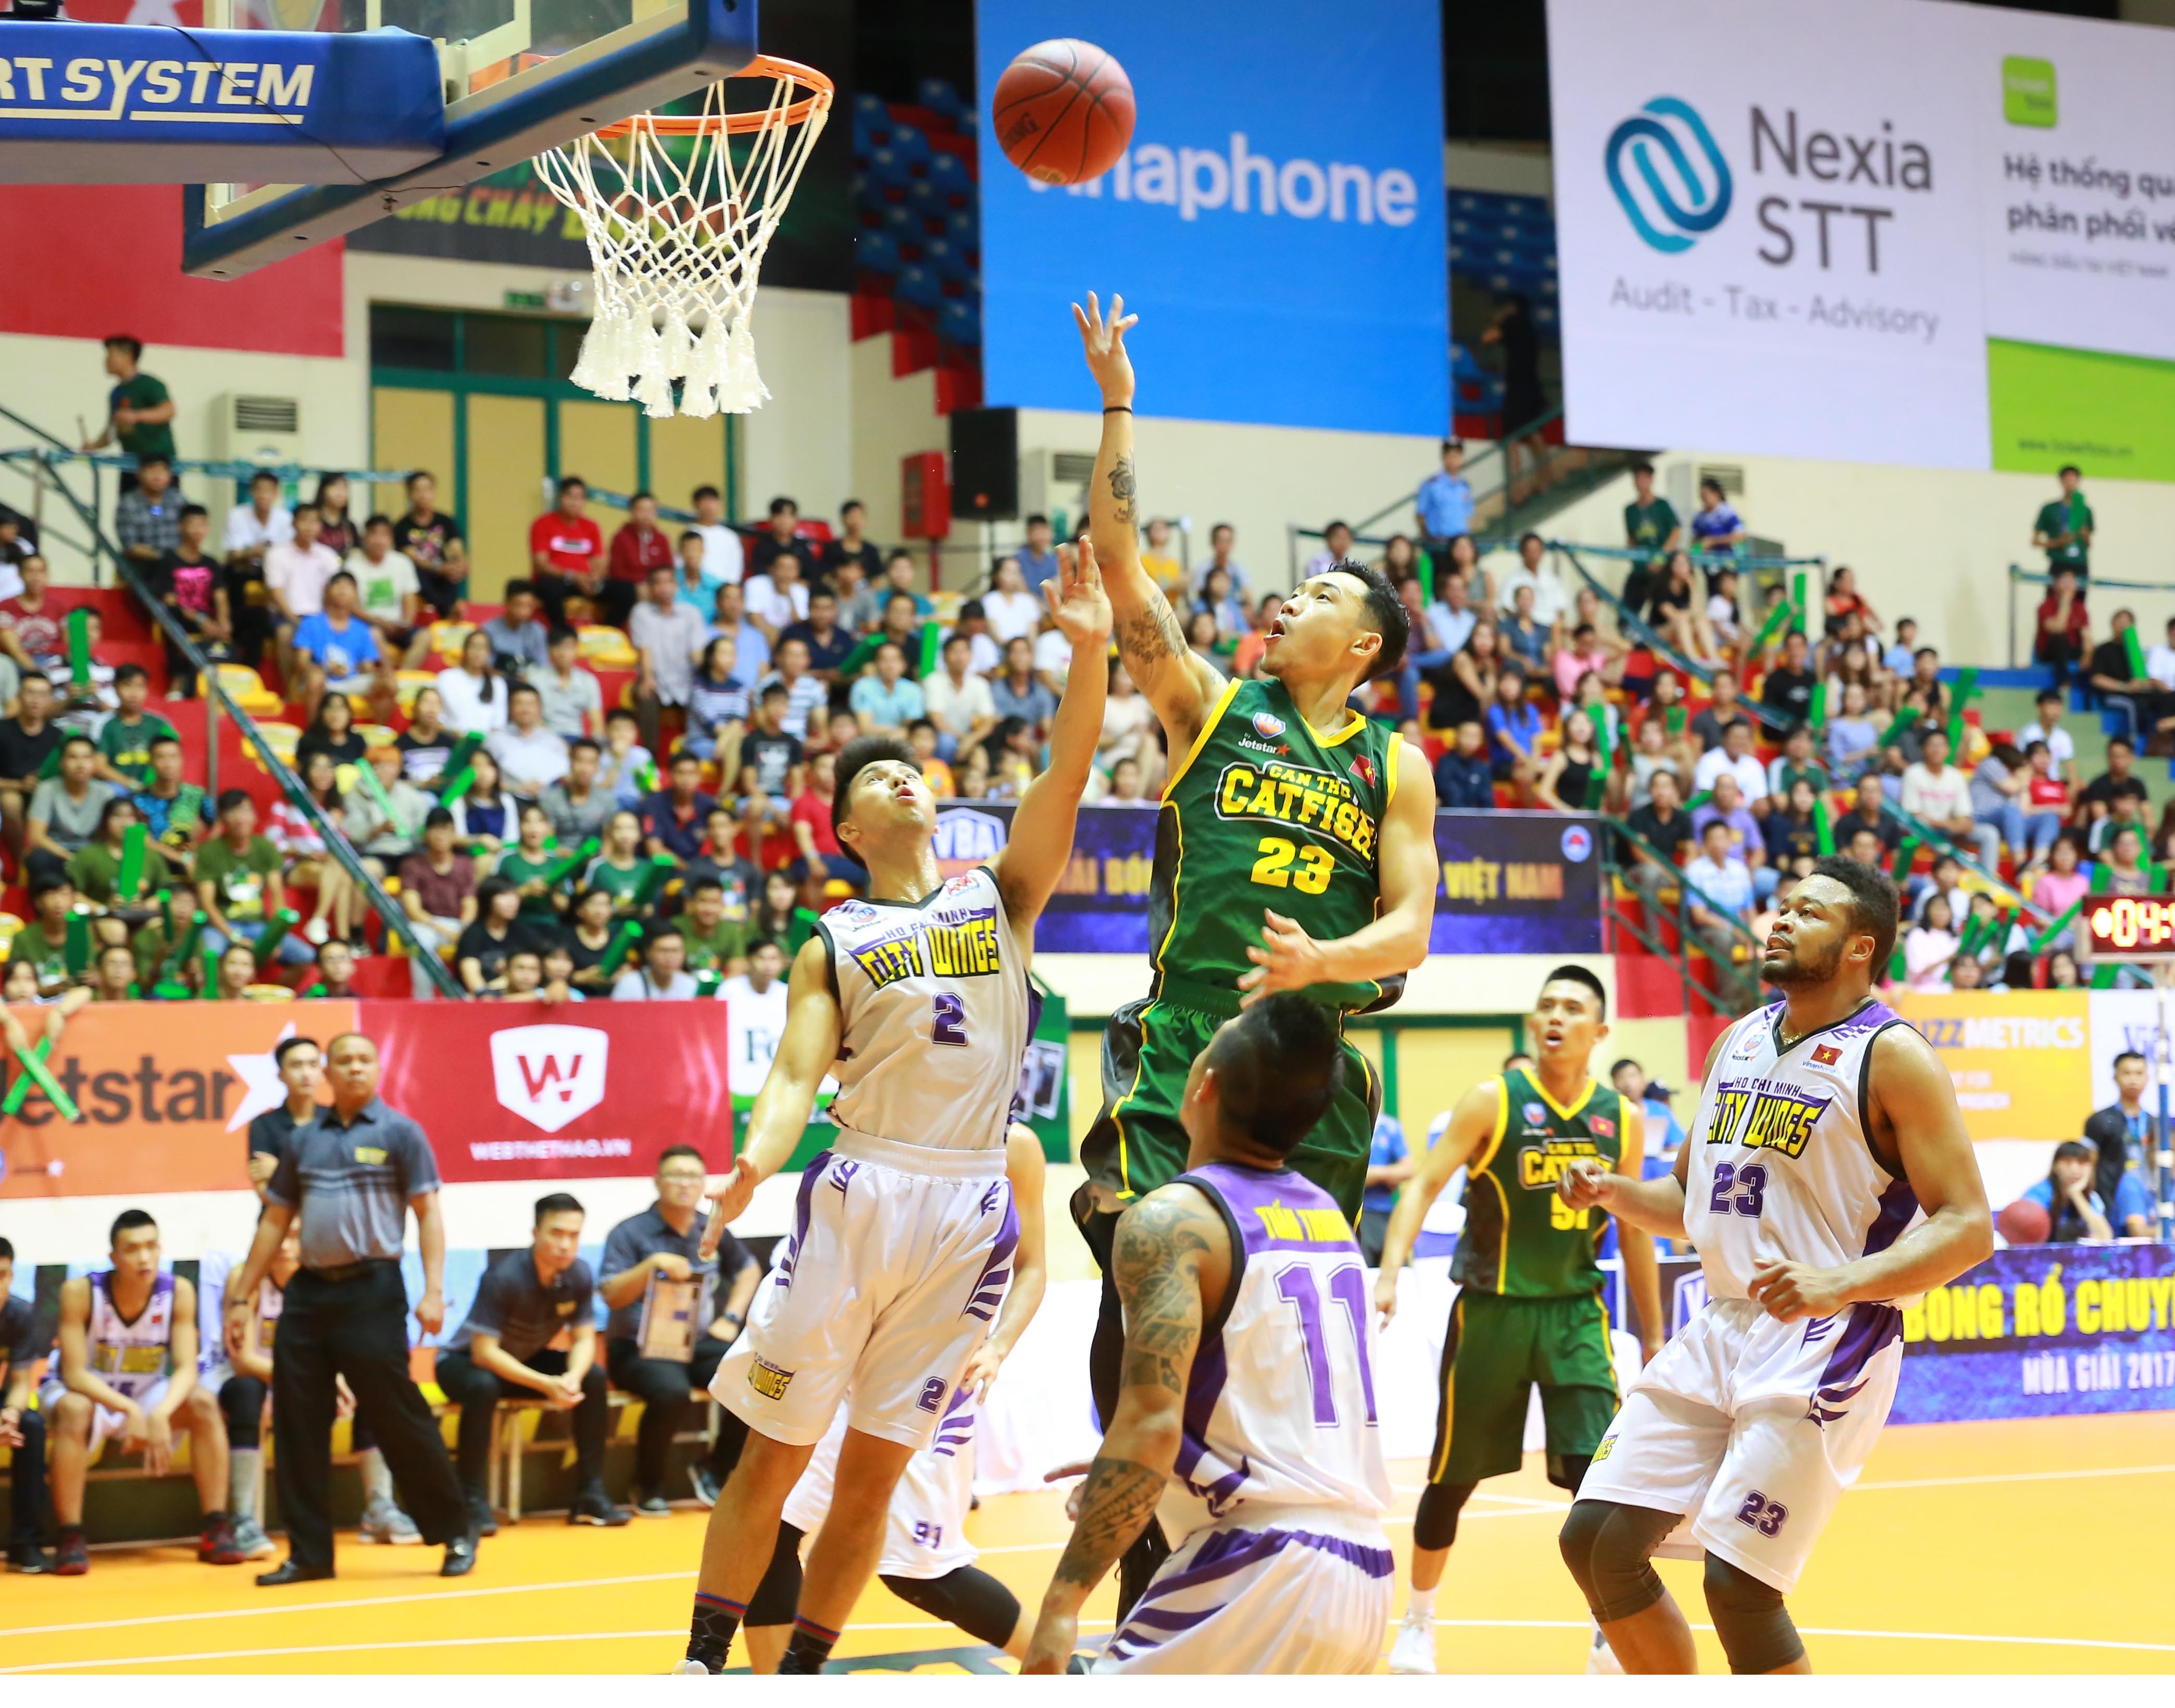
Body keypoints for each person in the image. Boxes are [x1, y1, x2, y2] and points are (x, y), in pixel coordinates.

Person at [673, 542, 1111, 1676]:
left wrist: (1090, 647)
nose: (904, 778)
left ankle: (805, 1674)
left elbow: (1065, 772)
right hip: (864, 1179)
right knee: (771, 1455)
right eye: (875, 780)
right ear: (849, 833)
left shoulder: (1001, 896)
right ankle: (701, 1663)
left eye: (911, 768)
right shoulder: (836, 933)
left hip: (966, 1199)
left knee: (871, 1473)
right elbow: (788, 1084)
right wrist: (749, 1169)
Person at [1066, 293, 1437, 1615]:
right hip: (1181, 1060)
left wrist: (1320, 961)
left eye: (1321, 596)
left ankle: (1254, 1591)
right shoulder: (1209, 707)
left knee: (1263, 1355)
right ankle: (1128, 1610)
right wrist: (1115, 395)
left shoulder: (1395, 764)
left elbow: (1413, 931)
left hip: (1312, 1079)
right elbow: (1122, 566)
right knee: (1139, 1321)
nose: (1289, 602)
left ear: (1366, 648)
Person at [1556, 857, 1991, 1675]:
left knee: (1740, 1585)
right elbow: (1688, 1197)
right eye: (1783, 907)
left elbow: (1970, 1229)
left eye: (1809, 913)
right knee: (1596, 1542)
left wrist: (1842, 1281)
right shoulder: (1739, 1039)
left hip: (1830, 1335)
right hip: (1722, 1321)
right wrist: (1615, 1191)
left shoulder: (1893, 1056)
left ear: (1861, 947)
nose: (1782, 920)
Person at [1021, 995, 1391, 1674]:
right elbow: (1273, 1421)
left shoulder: (1171, 1220)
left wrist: (1060, 1606)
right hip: (1364, 1576)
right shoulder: (1329, 1223)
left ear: (1203, 1084)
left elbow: (1150, 1425)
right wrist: (1157, 1474)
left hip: (1258, 1573)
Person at [1376, 967, 1664, 1674]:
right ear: (1533, 1026)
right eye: (1546, 1007)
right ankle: (1418, 1623)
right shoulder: (1492, 1101)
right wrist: (1389, 1268)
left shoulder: (1621, 1119)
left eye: (1573, 1008)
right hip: (1492, 1313)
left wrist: (1654, 1335)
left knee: (1600, 1485)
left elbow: (1635, 1232)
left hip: (1576, 1316)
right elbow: (1424, 1182)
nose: (1555, 1017)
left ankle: (1607, 1632)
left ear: (1599, 1033)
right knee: (1451, 1480)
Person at [739, 1124, 1049, 1671]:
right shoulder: (872, 1119)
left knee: (921, 1573)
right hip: (840, 1358)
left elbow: (1033, 1264)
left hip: (928, 1373)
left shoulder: (1014, 1143)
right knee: (771, 1528)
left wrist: (998, 1346)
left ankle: (1063, 1667)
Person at [222, 1033, 477, 1583]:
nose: (354, 1068)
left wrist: (434, 1290)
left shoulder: (401, 1133)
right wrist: (242, 1295)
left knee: (398, 1413)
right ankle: (310, 1553)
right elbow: (275, 1221)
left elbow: (428, 1213)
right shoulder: (303, 1139)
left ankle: (455, 1530)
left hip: (373, 1290)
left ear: (377, 1069)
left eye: (364, 1059)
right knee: (298, 1422)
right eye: (344, 1061)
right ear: (327, 1074)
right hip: (309, 1293)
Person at [43, 1210, 242, 1575]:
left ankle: (216, 1526)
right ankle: (70, 1534)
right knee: (74, 1409)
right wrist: (130, 1411)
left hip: (145, 1392)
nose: (144, 1258)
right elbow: (73, 1374)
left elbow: (185, 1368)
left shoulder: (178, 1291)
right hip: (89, 1393)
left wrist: (161, 1412)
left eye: (152, 1247)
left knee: (203, 1404)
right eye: (132, 1250)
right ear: (114, 1258)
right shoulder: (81, 1293)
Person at [435, 1194, 627, 1532]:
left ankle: (590, 1495)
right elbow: (484, 1352)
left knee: (593, 1378)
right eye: (557, 1233)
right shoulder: (504, 1277)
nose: (565, 1245)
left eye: (574, 1236)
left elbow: (583, 1338)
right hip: (463, 1363)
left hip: (522, 1361)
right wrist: (545, 1385)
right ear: (535, 1232)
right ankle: (472, 1501)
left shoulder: (579, 1275)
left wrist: (571, 1377)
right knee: (483, 1386)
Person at [601, 1147, 762, 1513]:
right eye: (675, 1175)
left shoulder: (714, 1226)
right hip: (638, 1348)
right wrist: (651, 1266)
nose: (685, 1184)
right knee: (671, 1392)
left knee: (750, 1375)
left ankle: (714, 1469)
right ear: (657, 1182)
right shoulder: (629, 1234)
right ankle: (648, 1485)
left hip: (696, 1343)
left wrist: (731, 1318)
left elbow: (749, 1270)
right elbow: (610, 1294)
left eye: (693, 1176)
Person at [3, 1233, 57, 1572]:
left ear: (10, 1275)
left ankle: (25, 1543)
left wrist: (10, 1413)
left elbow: (22, 1383)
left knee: (31, 1427)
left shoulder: (20, 1315)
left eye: (0, 1275)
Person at [633, 561, 710, 754]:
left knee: (706, 695)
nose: (664, 588)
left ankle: (695, 755)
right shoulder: (642, 613)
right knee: (646, 695)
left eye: (669, 582)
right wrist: (648, 678)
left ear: (677, 586)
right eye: (658, 583)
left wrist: (707, 679)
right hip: (656, 679)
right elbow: (645, 649)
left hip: (686, 680)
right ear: (650, 589)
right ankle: (650, 758)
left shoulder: (691, 614)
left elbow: (698, 653)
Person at [83, 335, 177, 478]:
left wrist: (136, 416)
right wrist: (94, 446)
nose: (106, 360)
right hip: (130, 463)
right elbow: (112, 430)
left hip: (157, 463)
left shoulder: (150, 384)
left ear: (128, 356)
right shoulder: (116, 392)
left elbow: (168, 411)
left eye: (111, 355)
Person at [2083, 1050, 2161, 1218]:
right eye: (2127, 1073)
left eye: (2139, 1073)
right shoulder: (2100, 1121)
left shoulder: (2154, 1123)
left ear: (2148, 1078)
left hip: (2148, 1204)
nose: (2133, 1079)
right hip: (2111, 1204)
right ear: (2115, 1077)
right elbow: (2088, 1165)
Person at [529, 475, 607, 622]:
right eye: (570, 497)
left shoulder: (591, 527)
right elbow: (541, 564)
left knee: (624, 592)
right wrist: (573, 576)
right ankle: (562, 633)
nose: (575, 503)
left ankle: (609, 629)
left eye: (580, 498)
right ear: (560, 498)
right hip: (559, 580)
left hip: (585, 581)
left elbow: (599, 559)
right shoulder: (542, 524)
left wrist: (594, 578)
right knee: (551, 588)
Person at [2018, 1142, 2114, 1244]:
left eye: (2082, 1163)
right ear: (2055, 1167)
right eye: (2067, 1163)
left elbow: (2105, 1237)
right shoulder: (2039, 1193)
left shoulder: (2092, 1198)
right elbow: (2025, 1238)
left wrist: (2076, 1195)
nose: (2074, 1170)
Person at [436, 628, 508, 738]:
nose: (477, 653)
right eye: (473, 647)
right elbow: (438, 720)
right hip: (452, 741)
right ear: (465, 650)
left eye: (482, 648)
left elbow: (498, 725)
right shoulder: (447, 678)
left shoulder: (497, 683)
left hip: (487, 747)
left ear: (489, 653)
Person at [2032, 463, 2092, 577]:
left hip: (2080, 563)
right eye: (2067, 479)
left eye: (2074, 480)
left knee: (2078, 593)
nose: (2070, 483)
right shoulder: (2050, 509)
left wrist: (2084, 536)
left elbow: (2088, 543)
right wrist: (2058, 543)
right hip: (2058, 563)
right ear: (2061, 481)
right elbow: (2035, 541)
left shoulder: (2085, 510)